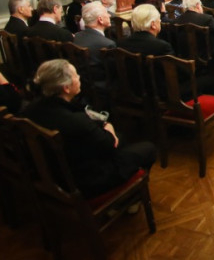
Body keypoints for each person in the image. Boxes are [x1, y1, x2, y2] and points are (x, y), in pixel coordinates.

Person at [23, 59, 156, 200]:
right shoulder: (76, 121)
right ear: (66, 88)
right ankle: (130, 197)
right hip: (85, 182)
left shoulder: (30, 110)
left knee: (121, 138)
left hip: (52, 172)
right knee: (148, 148)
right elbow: (110, 143)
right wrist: (108, 126)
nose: (79, 77)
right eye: (75, 75)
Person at [73, 1, 116, 82]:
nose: (109, 15)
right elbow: (113, 73)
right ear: (100, 20)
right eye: (106, 13)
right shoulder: (107, 44)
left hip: (83, 81)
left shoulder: (77, 36)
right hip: (102, 84)